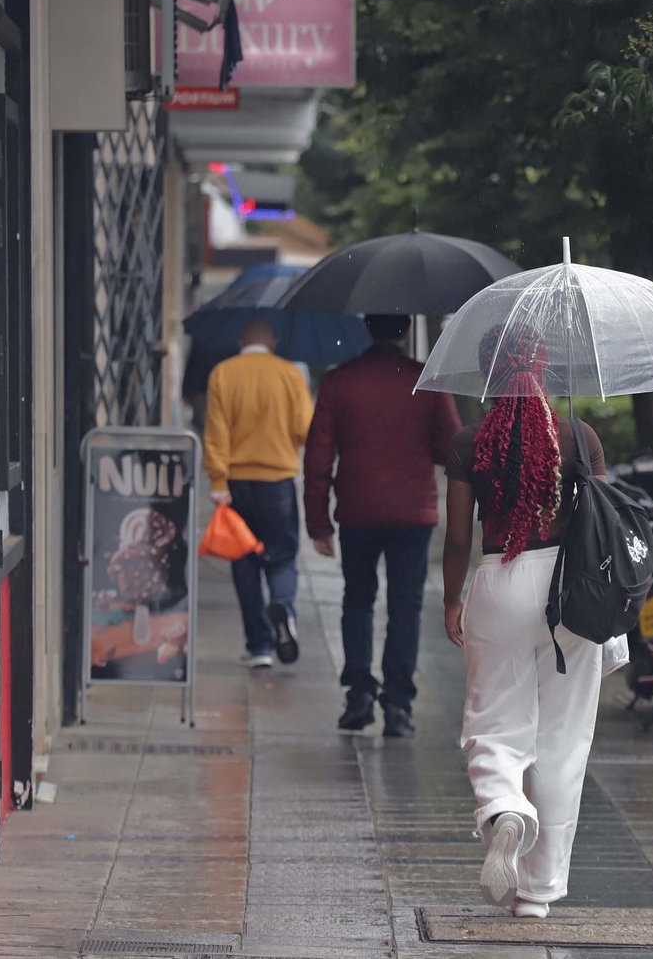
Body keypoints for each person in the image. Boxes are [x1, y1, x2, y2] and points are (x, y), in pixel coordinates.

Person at [441, 324, 607, 921]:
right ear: (542, 364)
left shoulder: (470, 441)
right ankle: (537, 896)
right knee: (562, 743)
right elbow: (601, 529)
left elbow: (458, 534)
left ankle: (504, 809)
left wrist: (450, 599)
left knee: (493, 724)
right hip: (569, 595)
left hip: (499, 585)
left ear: (489, 370)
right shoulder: (579, 437)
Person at [304, 314, 462, 738]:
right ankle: (398, 705)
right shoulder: (425, 381)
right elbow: (453, 449)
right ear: (406, 331)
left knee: (356, 599)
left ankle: (358, 693)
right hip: (412, 511)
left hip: (357, 509)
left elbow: (318, 457)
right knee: (405, 605)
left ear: (367, 329)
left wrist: (318, 522)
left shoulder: (339, 381)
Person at [203, 318, 314, 669]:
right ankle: (282, 604)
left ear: (241, 342)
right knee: (281, 556)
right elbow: (305, 429)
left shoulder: (223, 373)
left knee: (244, 562)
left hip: (236, 485)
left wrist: (218, 482)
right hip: (278, 481)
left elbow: (216, 433)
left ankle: (260, 647)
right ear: (273, 343)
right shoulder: (290, 375)